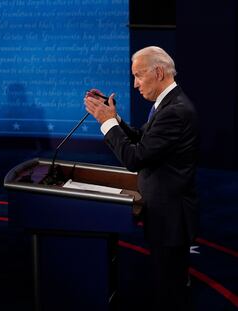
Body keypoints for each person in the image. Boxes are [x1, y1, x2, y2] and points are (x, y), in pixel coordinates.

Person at [84, 46, 199, 310]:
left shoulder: (175, 111)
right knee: (166, 283)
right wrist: (113, 117)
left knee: (170, 290)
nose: (135, 84)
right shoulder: (169, 104)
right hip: (164, 213)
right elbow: (142, 140)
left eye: (138, 75)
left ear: (158, 72)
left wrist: (107, 123)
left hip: (171, 217)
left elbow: (135, 158)